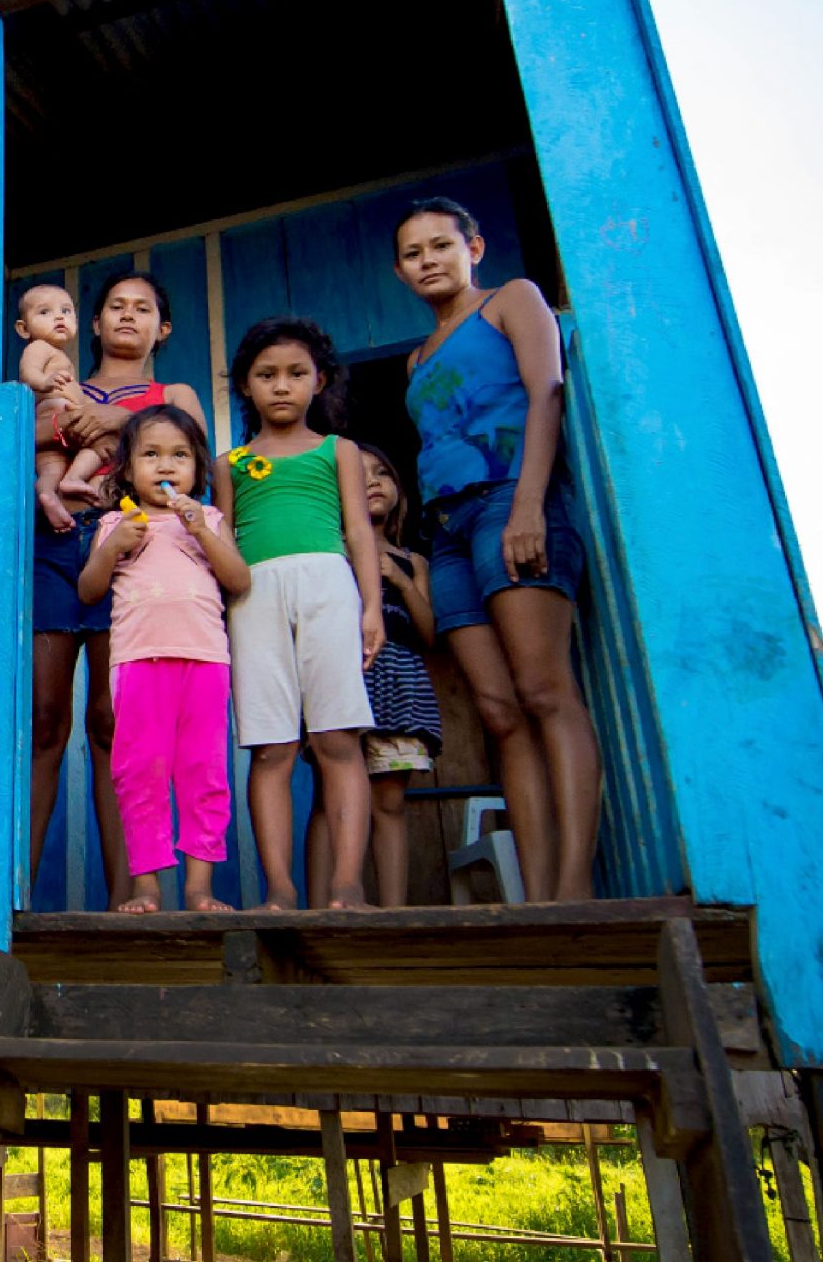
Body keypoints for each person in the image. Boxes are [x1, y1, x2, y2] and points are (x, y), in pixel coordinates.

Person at [394, 196, 601, 901]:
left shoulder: (512, 300)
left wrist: (528, 508)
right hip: (447, 532)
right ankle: (537, 899)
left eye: (440, 246)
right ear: (400, 271)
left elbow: (545, 394)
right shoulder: (416, 358)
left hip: (510, 503)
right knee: (501, 715)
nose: (428, 261)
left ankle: (573, 890)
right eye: (414, 254)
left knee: (546, 692)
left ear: (473, 248)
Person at [30, 270, 207, 911]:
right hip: (52, 543)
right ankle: (14, 898)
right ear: (95, 322)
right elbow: (28, 435)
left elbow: (185, 438)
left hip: (132, 548)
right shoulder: (58, 380)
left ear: (163, 328)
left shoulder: (173, 389)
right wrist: (78, 418)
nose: (127, 316)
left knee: (114, 724)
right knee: (44, 720)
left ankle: (127, 898)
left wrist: (105, 417)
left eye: (144, 309)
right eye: (114, 307)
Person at [212, 317, 382, 911]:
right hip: (252, 595)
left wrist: (372, 607)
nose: (281, 386)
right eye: (266, 375)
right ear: (245, 386)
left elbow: (360, 533)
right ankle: (280, 890)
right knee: (271, 746)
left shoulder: (340, 451)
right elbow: (223, 539)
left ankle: (346, 886)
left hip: (329, 585)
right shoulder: (229, 462)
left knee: (337, 737)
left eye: (295, 374)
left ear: (320, 381)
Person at [77, 406, 251, 914]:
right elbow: (89, 590)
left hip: (203, 660)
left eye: (178, 456)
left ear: (196, 469)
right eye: (150, 455)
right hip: (138, 662)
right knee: (140, 772)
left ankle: (199, 887)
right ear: (127, 470)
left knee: (204, 771)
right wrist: (112, 549)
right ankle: (147, 887)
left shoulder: (210, 520)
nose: (166, 466)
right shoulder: (117, 521)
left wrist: (202, 532)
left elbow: (239, 580)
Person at [308, 444, 443, 908]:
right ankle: (321, 907)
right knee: (330, 800)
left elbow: (429, 634)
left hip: (399, 686)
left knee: (389, 803)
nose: (372, 482)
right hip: (342, 675)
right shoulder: (332, 549)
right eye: (361, 474)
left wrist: (401, 581)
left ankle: (393, 911)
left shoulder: (413, 562)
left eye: (383, 473)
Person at [14, 283, 108, 532]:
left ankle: (47, 493)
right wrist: (44, 382)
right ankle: (74, 478)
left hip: (49, 422)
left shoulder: (57, 354)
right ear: (23, 329)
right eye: (44, 312)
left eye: (66, 311)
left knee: (50, 469)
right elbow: (28, 372)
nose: (58, 317)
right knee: (102, 442)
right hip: (57, 413)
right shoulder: (39, 347)